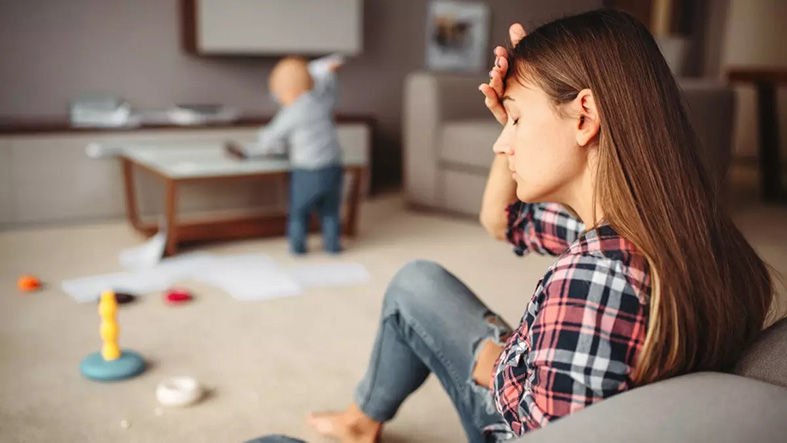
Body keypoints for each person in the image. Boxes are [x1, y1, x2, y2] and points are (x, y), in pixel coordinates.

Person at [304, 9, 776, 443]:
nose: (500, 144)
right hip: (560, 388)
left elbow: (539, 434)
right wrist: (518, 108)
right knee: (417, 282)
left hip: (513, 421)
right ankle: (359, 421)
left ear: (585, 116)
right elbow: (501, 220)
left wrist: (495, 362)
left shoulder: (595, 278)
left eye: (516, 119)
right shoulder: (682, 230)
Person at [228, 55, 346, 255]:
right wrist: (326, 73)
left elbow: (270, 138)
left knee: (299, 213)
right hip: (333, 168)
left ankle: (298, 248)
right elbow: (331, 89)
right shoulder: (322, 102)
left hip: (307, 171)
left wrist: (258, 144)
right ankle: (333, 247)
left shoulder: (292, 111)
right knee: (330, 212)